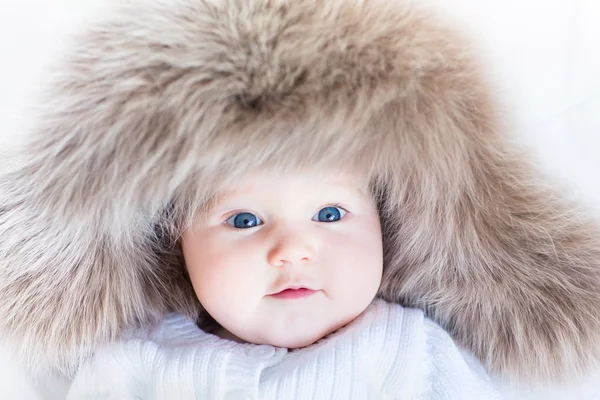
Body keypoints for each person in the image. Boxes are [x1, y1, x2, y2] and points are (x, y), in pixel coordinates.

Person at [2, 0, 600, 398]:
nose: (293, 248)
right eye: (242, 219)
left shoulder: (413, 353)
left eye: (332, 213)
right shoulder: (129, 367)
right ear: (167, 243)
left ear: (391, 227)